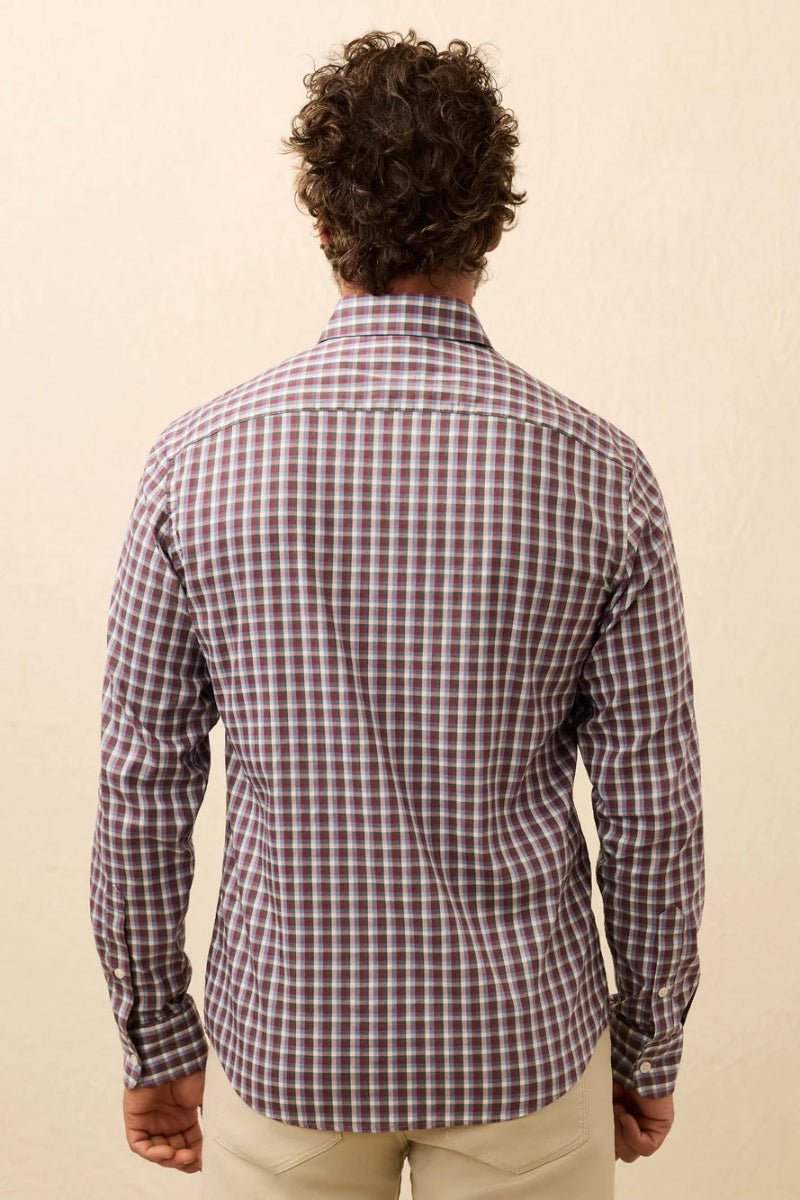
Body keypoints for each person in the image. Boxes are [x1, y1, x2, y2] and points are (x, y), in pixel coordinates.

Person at [88, 28, 704, 1198]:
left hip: (289, 1049)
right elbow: (651, 805)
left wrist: (157, 1038)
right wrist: (649, 1043)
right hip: (523, 1047)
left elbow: (140, 783)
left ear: (322, 221)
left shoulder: (197, 465)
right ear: (490, 223)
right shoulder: (598, 473)